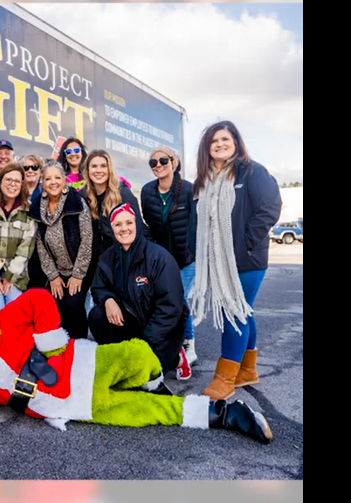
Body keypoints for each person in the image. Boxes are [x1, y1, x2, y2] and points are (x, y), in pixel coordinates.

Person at [0, 290, 272, 446]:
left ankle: (152, 381)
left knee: (140, 354)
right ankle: (223, 415)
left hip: (84, 363)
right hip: (72, 406)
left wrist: (50, 343)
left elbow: (38, 299)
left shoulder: (1, 320)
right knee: (144, 414)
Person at [189, 121, 282, 400]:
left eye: (225, 139)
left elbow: (269, 208)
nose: (219, 144)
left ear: (236, 142)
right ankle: (247, 371)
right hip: (218, 260)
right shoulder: (203, 181)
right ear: (208, 148)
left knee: (234, 311)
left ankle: (225, 377)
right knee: (244, 310)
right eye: (213, 141)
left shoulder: (252, 171)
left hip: (247, 260)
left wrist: (245, 243)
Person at [89, 203, 190, 380]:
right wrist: (107, 300)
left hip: (162, 331)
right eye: (118, 224)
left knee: (145, 378)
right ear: (112, 229)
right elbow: (98, 286)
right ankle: (122, 359)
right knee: (97, 316)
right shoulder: (108, 257)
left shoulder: (159, 257)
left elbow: (171, 307)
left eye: (129, 222)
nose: (124, 229)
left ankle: (176, 359)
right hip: (131, 324)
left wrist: (143, 344)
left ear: (137, 224)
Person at [141, 146, 197, 365]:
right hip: (163, 259)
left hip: (187, 259)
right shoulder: (147, 191)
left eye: (163, 160)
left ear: (174, 162)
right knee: (164, 300)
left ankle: (189, 344)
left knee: (179, 299)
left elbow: (198, 225)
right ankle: (170, 345)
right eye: (153, 163)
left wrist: (194, 253)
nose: (158, 166)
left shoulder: (190, 190)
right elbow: (148, 223)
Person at [27, 160, 93, 339]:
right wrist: (53, 276)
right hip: (57, 272)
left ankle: (79, 349)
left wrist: (77, 275)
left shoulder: (76, 203)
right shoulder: (39, 207)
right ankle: (58, 352)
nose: (53, 182)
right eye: (48, 179)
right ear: (43, 183)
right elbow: (40, 244)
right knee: (53, 307)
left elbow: (87, 241)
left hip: (80, 269)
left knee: (73, 306)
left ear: (64, 181)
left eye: (57, 177)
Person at [0, 163, 37, 314]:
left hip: (15, 274)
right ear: (0, 182)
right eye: (8, 180)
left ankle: (11, 338)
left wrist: (10, 278)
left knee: (13, 307)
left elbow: (25, 250)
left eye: (17, 181)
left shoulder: (28, 212)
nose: (12, 184)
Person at [83, 149, 146, 267]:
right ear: (87, 170)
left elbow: (138, 229)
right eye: (94, 166)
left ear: (109, 169)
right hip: (97, 265)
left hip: (123, 261)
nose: (98, 170)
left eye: (103, 166)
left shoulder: (123, 193)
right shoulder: (83, 196)